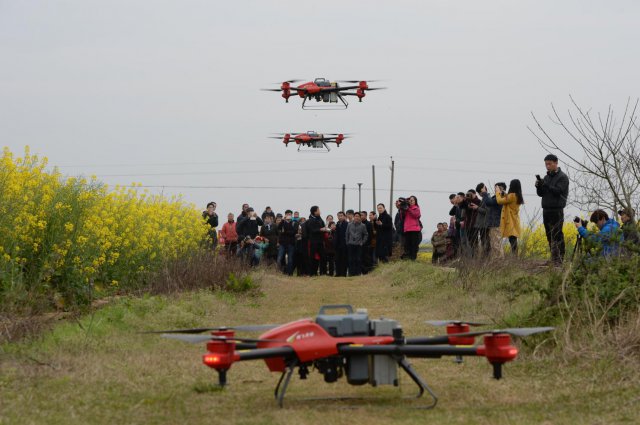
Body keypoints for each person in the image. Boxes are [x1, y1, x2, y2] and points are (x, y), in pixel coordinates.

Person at [536, 154, 570, 265]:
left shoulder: (562, 177)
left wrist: (545, 185)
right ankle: (553, 258)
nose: (547, 166)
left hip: (557, 210)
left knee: (558, 234)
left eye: (549, 164)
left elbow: (558, 191)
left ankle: (560, 259)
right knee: (549, 235)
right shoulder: (546, 177)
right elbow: (541, 194)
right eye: (546, 164)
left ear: (556, 163)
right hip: (546, 210)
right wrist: (539, 186)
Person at [496, 180, 524, 256]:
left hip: (510, 220)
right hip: (514, 219)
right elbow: (508, 198)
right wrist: (504, 193)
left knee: (512, 240)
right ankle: (515, 256)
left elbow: (499, 201)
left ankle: (515, 257)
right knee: (513, 239)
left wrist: (498, 192)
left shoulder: (512, 195)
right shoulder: (517, 195)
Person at [484, 183, 505, 260]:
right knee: (494, 243)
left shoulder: (500, 197)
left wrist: (485, 193)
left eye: (496, 188)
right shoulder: (497, 197)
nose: (495, 189)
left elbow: (488, 202)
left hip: (496, 222)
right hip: (493, 222)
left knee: (496, 243)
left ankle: (499, 260)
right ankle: (495, 260)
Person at [306, 206, 328, 276]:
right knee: (312, 258)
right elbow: (312, 230)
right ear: (315, 212)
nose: (320, 211)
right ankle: (311, 273)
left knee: (323, 257)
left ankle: (323, 273)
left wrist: (325, 229)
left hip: (320, 242)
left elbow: (323, 226)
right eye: (318, 210)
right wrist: (320, 229)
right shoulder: (310, 220)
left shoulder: (319, 218)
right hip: (313, 242)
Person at [401, 196, 422, 260]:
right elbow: (402, 217)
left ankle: (413, 258)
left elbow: (415, 215)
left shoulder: (416, 208)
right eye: (410, 200)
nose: (411, 201)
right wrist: (404, 204)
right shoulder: (406, 208)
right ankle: (408, 258)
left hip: (414, 230)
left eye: (412, 200)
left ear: (415, 201)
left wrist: (408, 209)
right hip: (407, 229)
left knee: (414, 245)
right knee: (407, 245)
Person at [471, 184, 490, 257]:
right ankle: (485, 257)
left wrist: (477, 208)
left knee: (485, 242)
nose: (479, 195)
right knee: (483, 242)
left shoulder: (487, 198)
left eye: (479, 193)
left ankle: (486, 257)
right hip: (482, 225)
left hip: (484, 225)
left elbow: (487, 211)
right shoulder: (485, 198)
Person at [277, 210, 297, 275]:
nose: (288, 215)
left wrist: (285, 232)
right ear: (285, 215)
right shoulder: (282, 222)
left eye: (290, 214)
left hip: (291, 243)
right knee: (279, 258)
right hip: (282, 243)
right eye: (287, 214)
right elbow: (278, 228)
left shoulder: (294, 222)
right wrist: (283, 220)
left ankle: (290, 273)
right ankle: (280, 272)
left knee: (290, 259)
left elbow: (294, 232)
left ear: (291, 215)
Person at [335, 211, 349, 277]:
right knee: (337, 259)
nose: (340, 217)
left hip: (345, 245)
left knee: (344, 260)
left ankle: (343, 273)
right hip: (338, 245)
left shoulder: (347, 224)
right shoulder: (337, 224)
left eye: (341, 216)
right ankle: (338, 273)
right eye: (338, 216)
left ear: (344, 216)